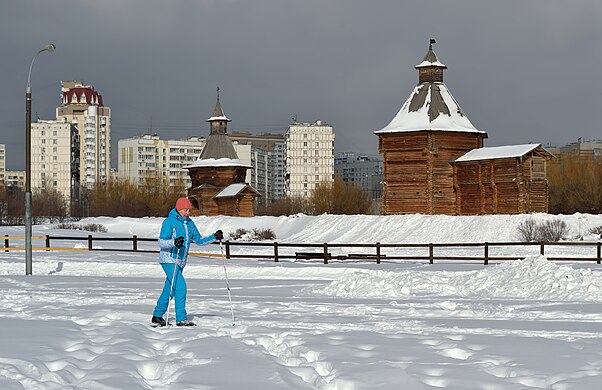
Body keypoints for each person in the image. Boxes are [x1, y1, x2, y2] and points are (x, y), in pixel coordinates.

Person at [151, 197, 224, 327]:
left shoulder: (189, 224)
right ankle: (181, 319)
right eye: (185, 210)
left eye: (189, 210)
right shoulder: (169, 222)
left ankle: (157, 315)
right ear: (179, 209)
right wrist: (174, 242)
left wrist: (214, 236)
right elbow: (161, 242)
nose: (187, 213)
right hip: (168, 259)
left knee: (170, 290)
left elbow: (199, 240)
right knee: (181, 287)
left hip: (180, 261)